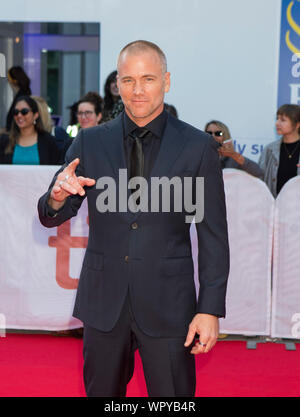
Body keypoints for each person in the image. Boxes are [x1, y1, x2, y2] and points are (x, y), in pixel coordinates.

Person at [38, 40, 229, 397]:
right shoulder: (90, 142)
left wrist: (210, 309)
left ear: (167, 81)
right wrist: (56, 197)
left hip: (170, 305)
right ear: (117, 85)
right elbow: (52, 214)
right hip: (104, 303)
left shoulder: (197, 146)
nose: (137, 90)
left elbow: (213, 234)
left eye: (148, 79)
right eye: (128, 80)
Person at [0, 95, 62, 165]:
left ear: (35, 115)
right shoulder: (5, 141)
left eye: (24, 111)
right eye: (16, 112)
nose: (19, 115)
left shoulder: (48, 141)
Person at [259, 104, 300, 197]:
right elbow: (260, 177)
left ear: (297, 124)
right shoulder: (269, 150)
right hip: (275, 205)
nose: (277, 123)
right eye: (277, 119)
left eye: (283, 120)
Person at [6, 66, 32, 132]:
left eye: (8, 79)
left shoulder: (21, 98)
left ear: (14, 81)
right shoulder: (23, 95)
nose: (8, 81)